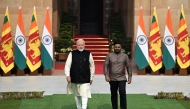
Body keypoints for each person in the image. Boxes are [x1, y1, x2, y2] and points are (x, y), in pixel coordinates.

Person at [65, 38, 95, 109]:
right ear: (76, 45)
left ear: (84, 45)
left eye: (82, 45)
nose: (80, 46)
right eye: (79, 45)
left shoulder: (88, 54)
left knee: (85, 93)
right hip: (74, 77)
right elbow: (67, 65)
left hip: (85, 77)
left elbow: (92, 66)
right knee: (77, 94)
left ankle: (84, 107)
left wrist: (91, 77)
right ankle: (79, 107)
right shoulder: (72, 54)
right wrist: (67, 75)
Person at [104, 41, 132, 109]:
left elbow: (129, 66)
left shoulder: (125, 56)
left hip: (122, 78)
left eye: (118, 47)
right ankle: (114, 107)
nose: (117, 48)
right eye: (116, 47)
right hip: (112, 78)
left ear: (121, 48)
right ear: (114, 47)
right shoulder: (109, 55)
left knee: (122, 93)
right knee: (114, 94)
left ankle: (123, 107)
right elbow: (105, 66)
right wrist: (106, 76)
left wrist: (129, 77)